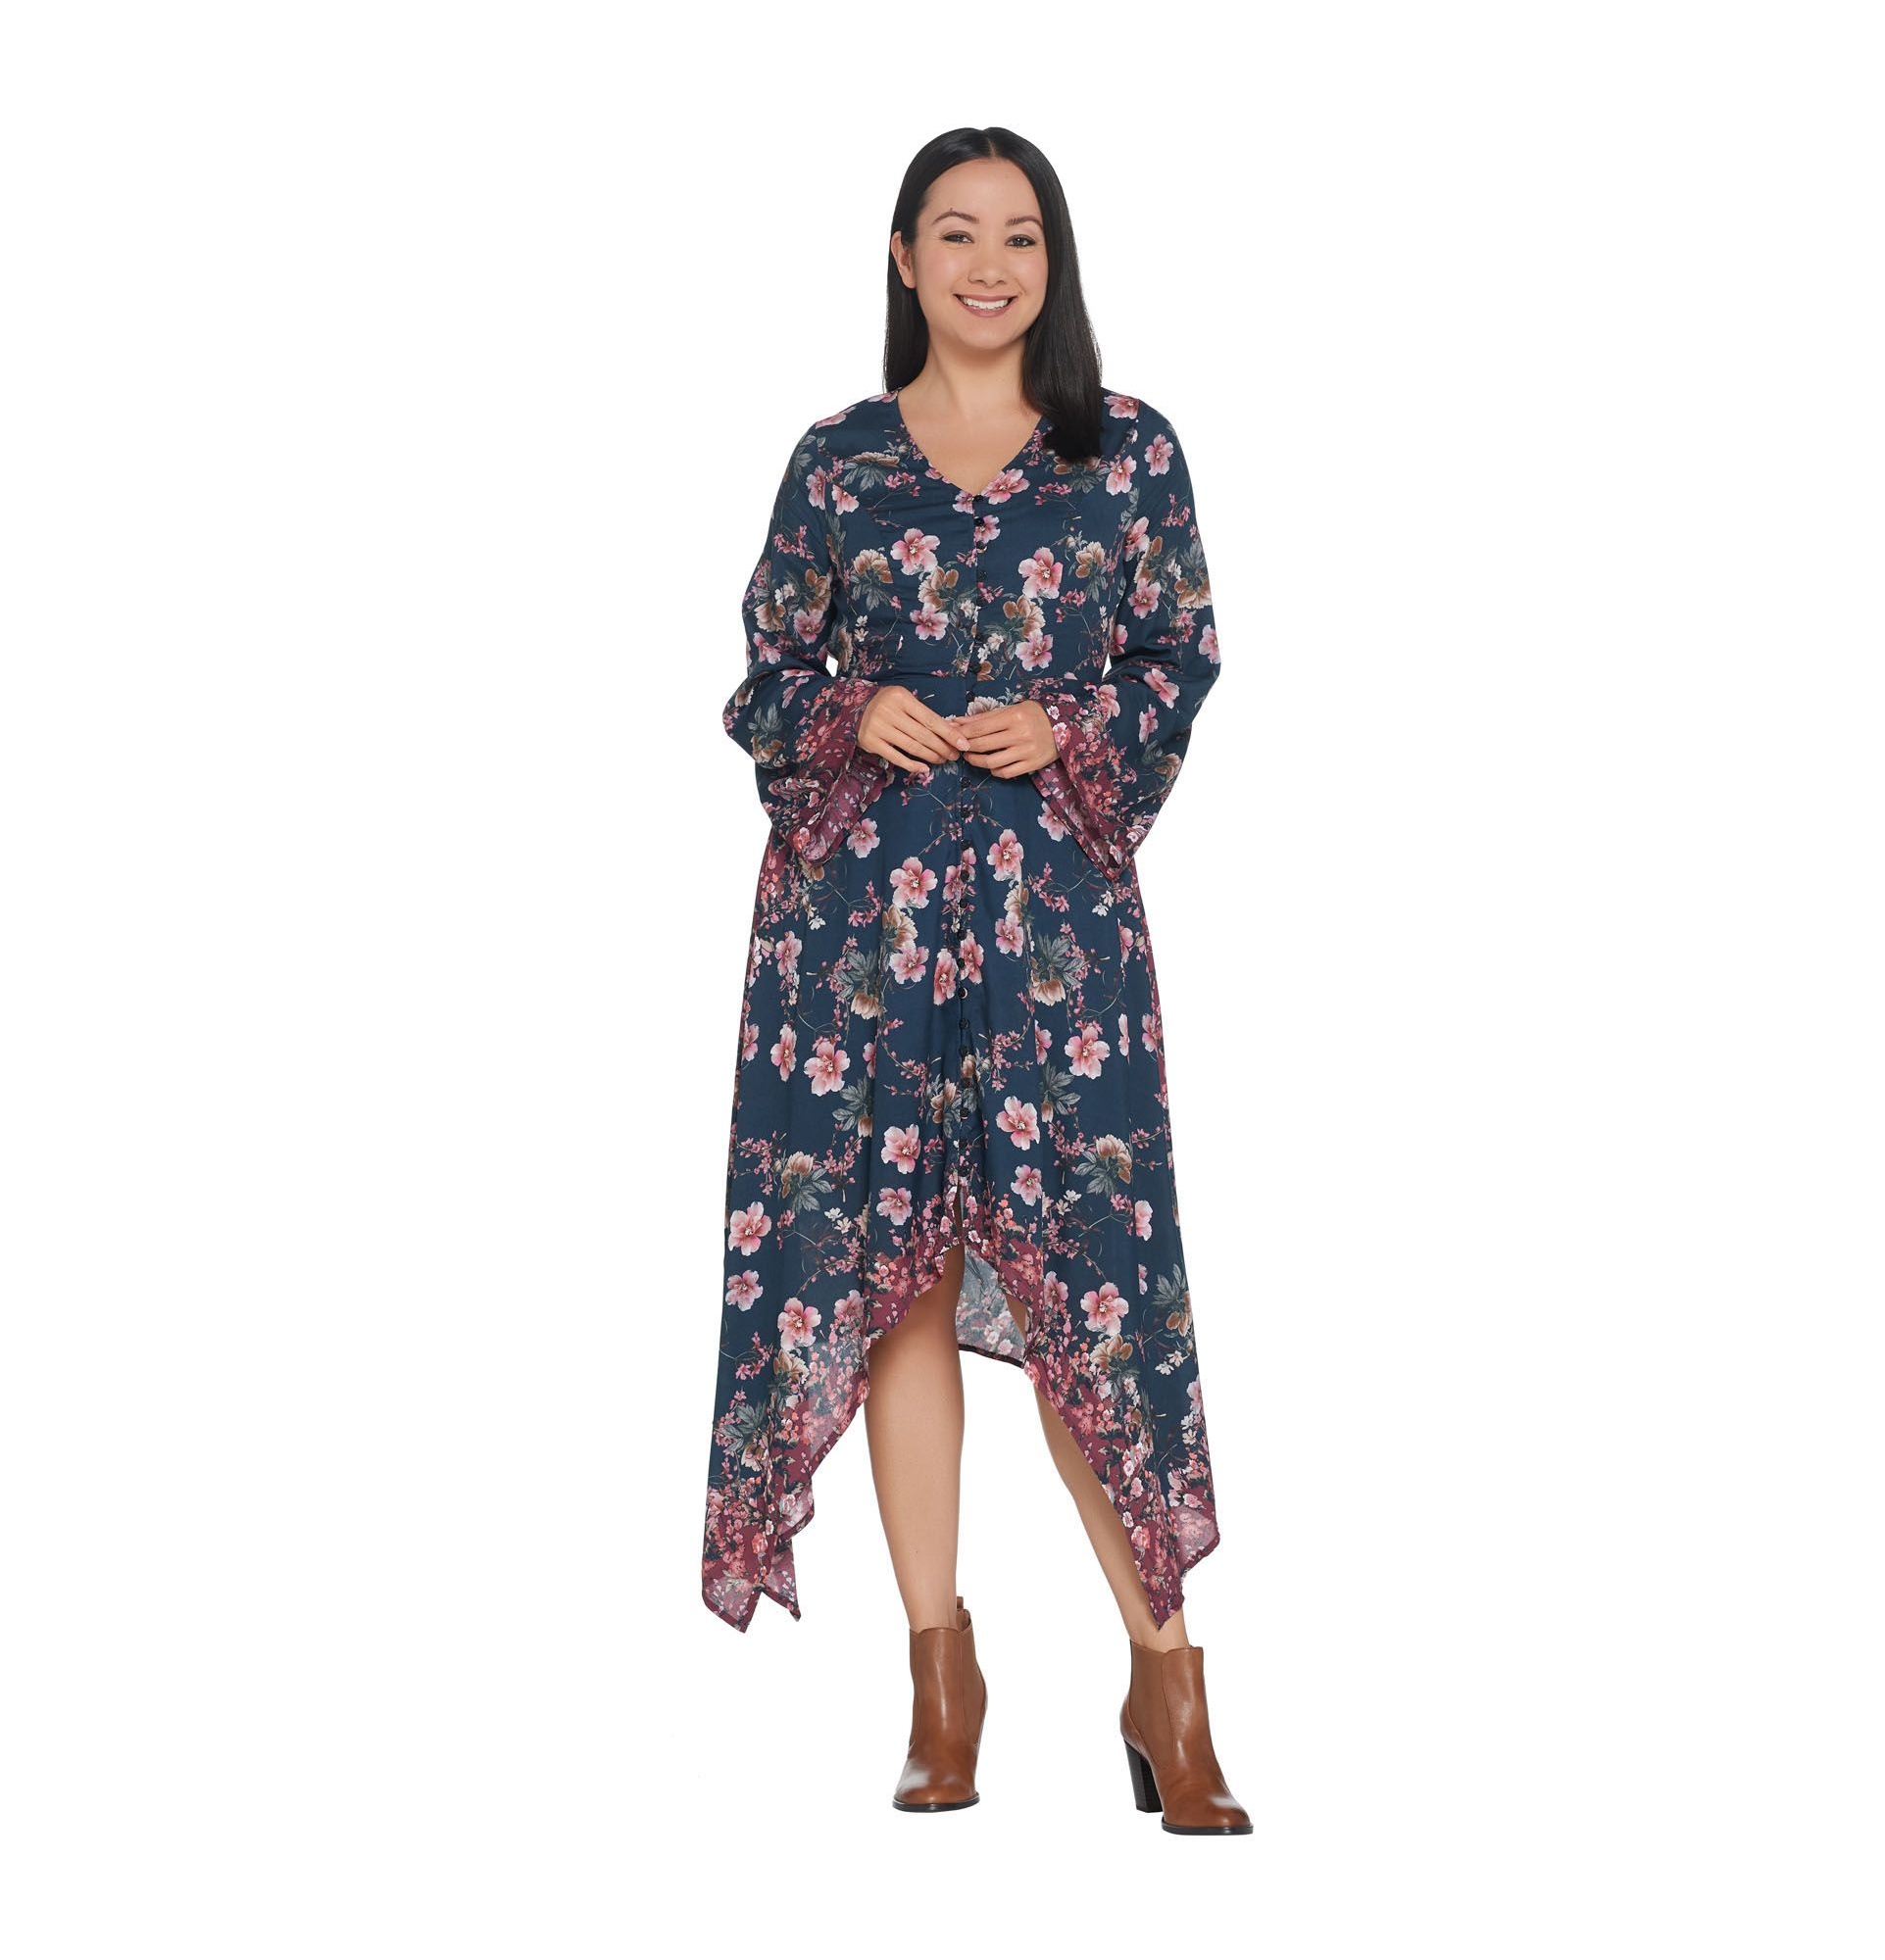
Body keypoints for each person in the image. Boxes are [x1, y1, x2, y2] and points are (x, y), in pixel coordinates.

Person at [700, 126, 1252, 1836]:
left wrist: (1067, 727)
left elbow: (1182, 653)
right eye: (956, 233)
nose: (989, 265)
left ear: (1051, 259)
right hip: (853, 938)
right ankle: (941, 1680)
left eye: (1019, 235)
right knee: (897, 1292)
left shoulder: (1124, 448)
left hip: (1054, 936)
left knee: (1096, 1297)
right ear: (903, 256)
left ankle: (1169, 1681)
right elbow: (766, 670)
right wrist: (850, 707)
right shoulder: (839, 462)